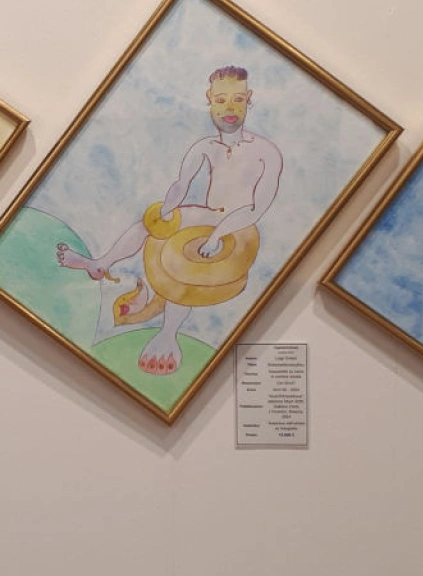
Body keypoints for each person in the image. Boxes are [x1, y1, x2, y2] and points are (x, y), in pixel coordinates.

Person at [57, 66, 282, 375]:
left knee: (182, 264)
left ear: (249, 99)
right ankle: (101, 264)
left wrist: (217, 235)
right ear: (210, 100)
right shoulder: (204, 147)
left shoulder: (266, 152)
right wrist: (166, 211)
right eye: (221, 100)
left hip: (241, 229)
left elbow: (257, 208)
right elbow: (181, 184)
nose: (229, 109)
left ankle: (168, 334)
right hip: (207, 218)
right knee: (149, 227)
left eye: (238, 99)